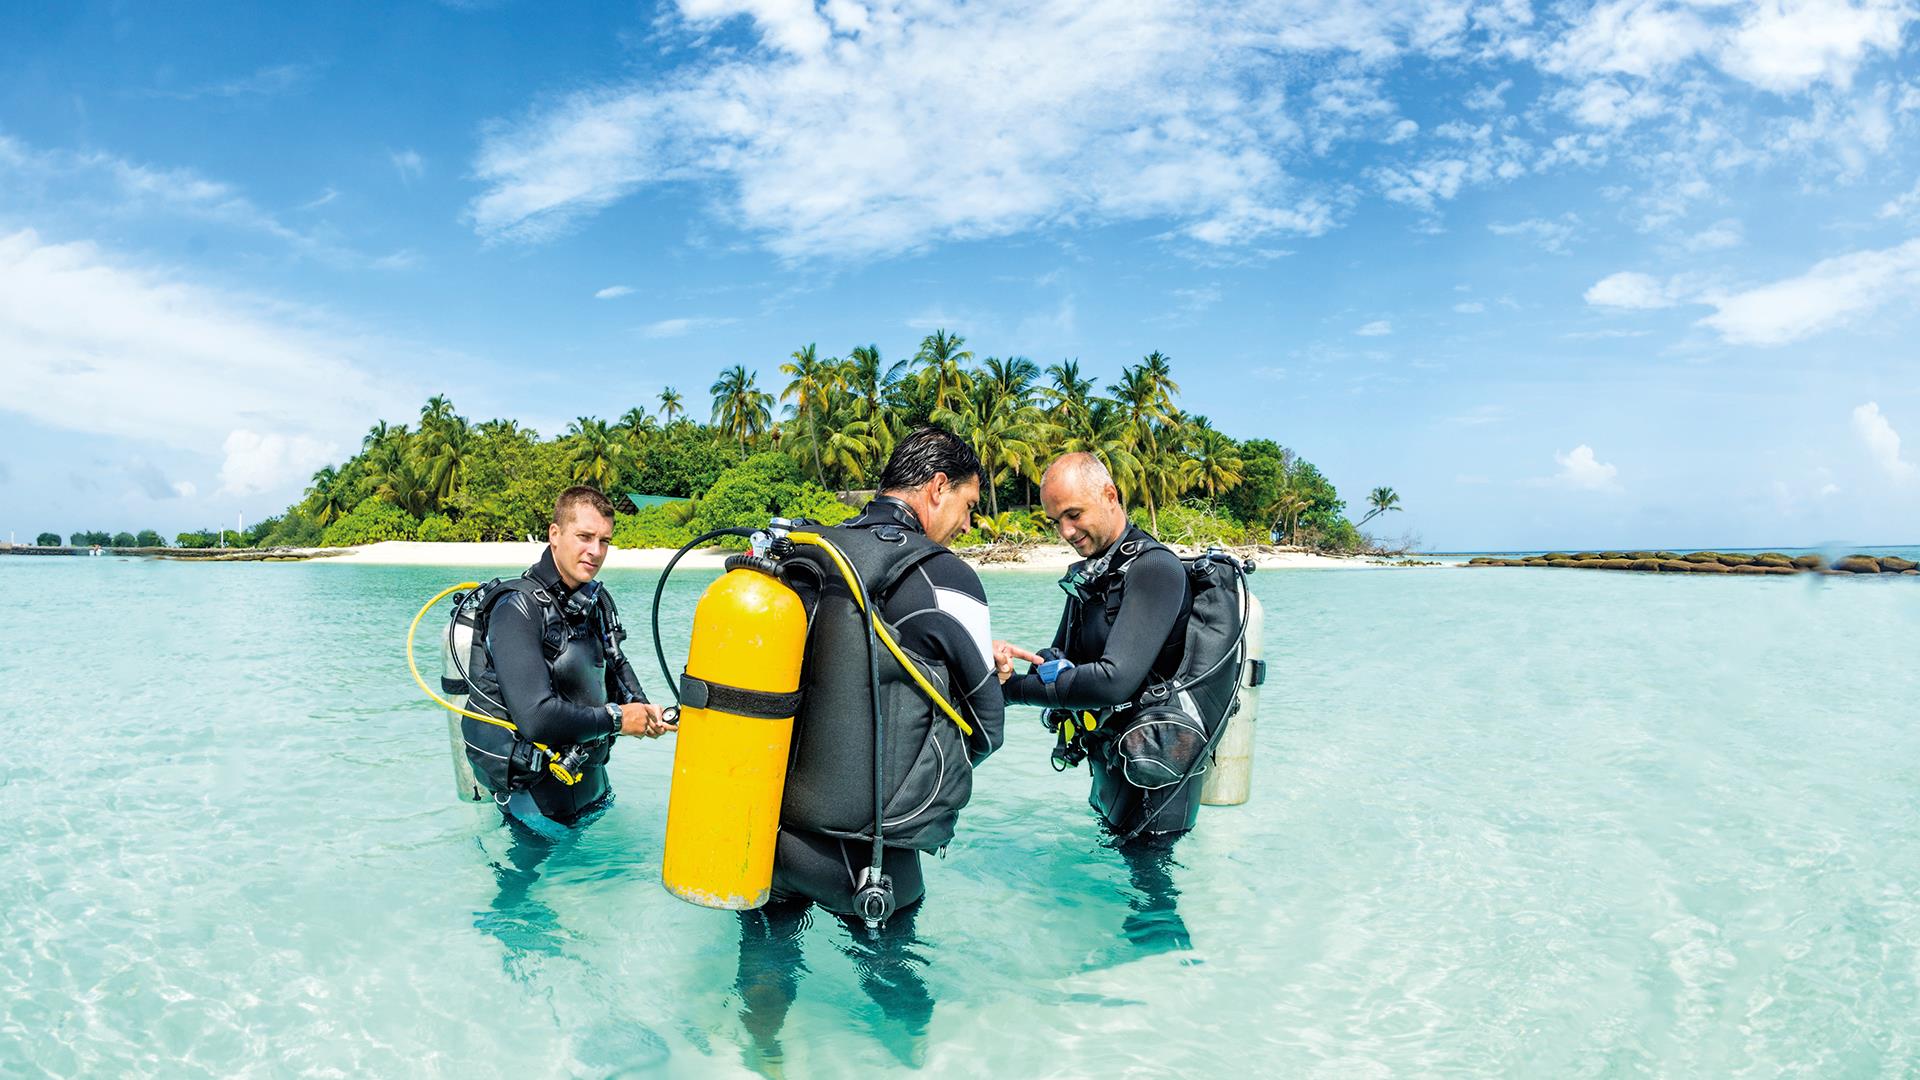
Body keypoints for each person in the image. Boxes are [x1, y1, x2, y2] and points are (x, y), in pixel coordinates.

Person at [736, 427, 1006, 1070]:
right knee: (895, 986)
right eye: (968, 505)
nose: (968, 524)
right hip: (870, 859)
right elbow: (986, 727)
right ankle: (912, 1062)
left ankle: (761, 1060)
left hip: (770, 839)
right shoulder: (944, 575)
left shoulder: (804, 554)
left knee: (767, 968)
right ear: (937, 488)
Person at [994, 452, 1202, 954]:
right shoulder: (1094, 573)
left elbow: (1112, 682)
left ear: (1110, 496)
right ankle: (1140, 971)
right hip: (1112, 759)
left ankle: (1167, 973)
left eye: (1073, 514)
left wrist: (1011, 693)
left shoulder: (1154, 569)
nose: (1065, 531)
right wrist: (1015, 665)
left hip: (1157, 767)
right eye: (1056, 521)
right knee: (1130, 869)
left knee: (1153, 891)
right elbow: (1059, 657)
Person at [461, 487, 671, 955]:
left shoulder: (595, 600)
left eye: (605, 540)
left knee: (593, 898)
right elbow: (536, 717)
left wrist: (643, 709)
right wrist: (618, 719)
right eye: (584, 537)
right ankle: (512, 944)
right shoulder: (516, 609)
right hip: (535, 801)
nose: (595, 551)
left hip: (591, 788)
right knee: (520, 893)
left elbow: (614, 665)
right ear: (554, 534)